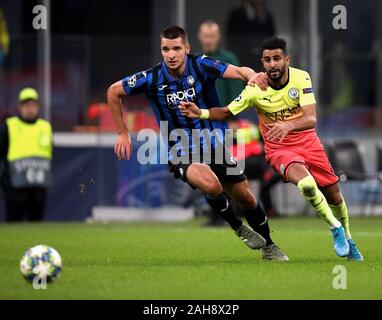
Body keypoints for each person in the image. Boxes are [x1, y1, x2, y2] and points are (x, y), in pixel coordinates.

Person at [107, 26, 289, 261]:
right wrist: (122, 132)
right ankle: (237, 227)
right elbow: (113, 91)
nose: (171, 54)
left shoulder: (201, 64)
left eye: (176, 49)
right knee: (212, 185)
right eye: (166, 49)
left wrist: (252, 75)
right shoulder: (151, 78)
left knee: (245, 196)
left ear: (187, 48)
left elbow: (238, 71)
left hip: (214, 143)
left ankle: (270, 246)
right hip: (181, 148)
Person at [179, 37, 363, 261]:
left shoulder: (300, 77)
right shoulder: (255, 89)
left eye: (277, 58)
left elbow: (311, 118)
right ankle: (335, 229)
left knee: (334, 197)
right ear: (262, 62)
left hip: (308, 143)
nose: (272, 64)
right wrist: (202, 113)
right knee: (306, 184)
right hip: (279, 149)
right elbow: (227, 112)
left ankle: (349, 238)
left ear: (287, 59)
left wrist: (288, 125)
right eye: (267, 60)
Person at [0, 88, 53, 222]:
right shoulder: (9, 126)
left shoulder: (45, 127)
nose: (30, 109)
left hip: (38, 188)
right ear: (20, 107)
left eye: (33, 105)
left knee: (36, 225)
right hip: (15, 187)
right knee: (14, 224)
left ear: (38, 107)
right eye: (26, 105)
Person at [228, 119, 281, 217]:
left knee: (238, 186)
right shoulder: (250, 130)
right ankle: (268, 211)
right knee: (262, 187)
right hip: (255, 163)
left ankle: (241, 212)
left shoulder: (239, 134)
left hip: (252, 164)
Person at [198, 20, 243, 106]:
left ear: (218, 37)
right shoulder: (195, 60)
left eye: (212, 36)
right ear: (199, 36)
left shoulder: (229, 59)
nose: (209, 41)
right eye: (206, 36)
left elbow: (236, 90)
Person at [227, 0, 275, 71]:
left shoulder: (267, 16)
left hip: (261, 63)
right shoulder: (236, 14)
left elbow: (271, 39)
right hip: (241, 62)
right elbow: (231, 41)